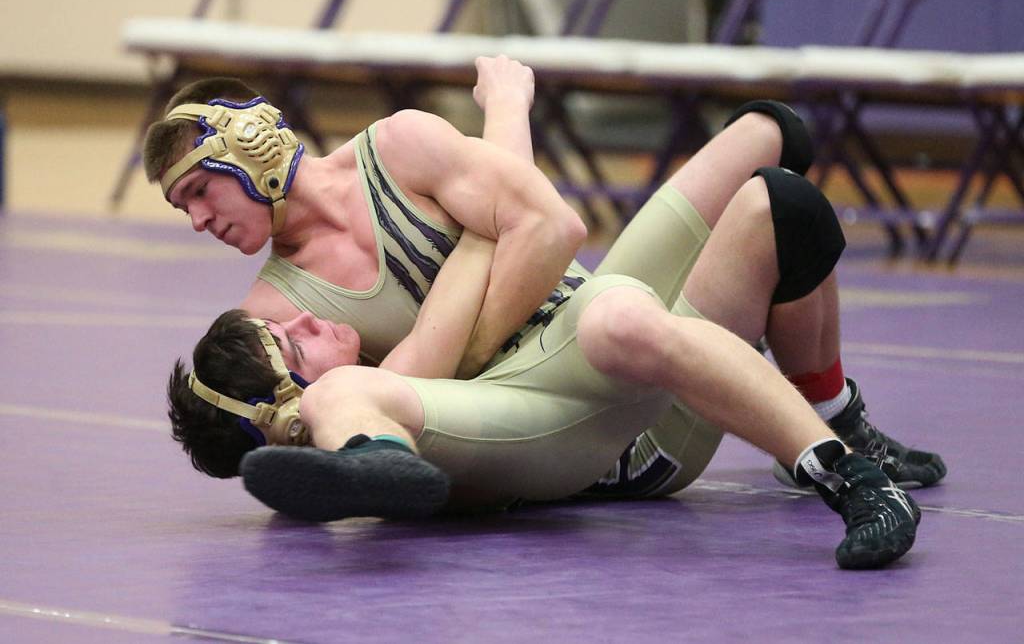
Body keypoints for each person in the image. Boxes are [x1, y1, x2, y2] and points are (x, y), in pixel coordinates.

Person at [146, 57, 945, 491]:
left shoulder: (397, 148)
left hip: (591, 307)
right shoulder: (271, 310)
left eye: (197, 193)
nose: (199, 223)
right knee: (779, 208)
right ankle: (826, 422)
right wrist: (503, 159)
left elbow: (550, 225)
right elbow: (336, 418)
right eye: (184, 211)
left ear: (248, 143)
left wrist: (489, 252)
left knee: (772, 134)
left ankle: (829, 406)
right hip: (588, 409)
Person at [168, 214, 921, 570]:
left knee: (774, 199)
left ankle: (846, 453)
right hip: (609, 442)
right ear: (280, 417)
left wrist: (477, 199)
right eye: (293, 340)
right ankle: (373, 463)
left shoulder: (387, 363)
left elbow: (516, 228)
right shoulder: (365, 382)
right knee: (619, 315)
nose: (307, 313)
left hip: (564, 384)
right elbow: (518, 222)